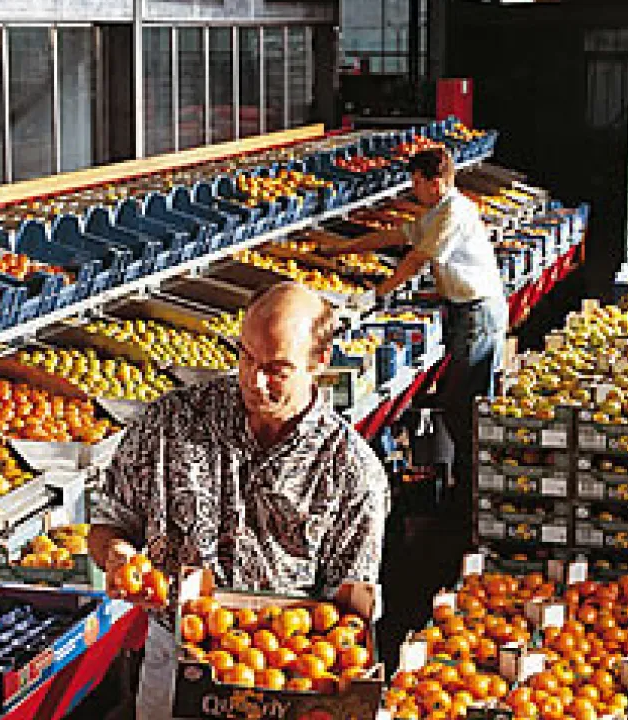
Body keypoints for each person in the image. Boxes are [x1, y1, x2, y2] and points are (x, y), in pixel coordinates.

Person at [89, 281, 390, 720]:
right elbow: (110, 522)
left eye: (277, 368)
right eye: (247, 357)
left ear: (319, 363)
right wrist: (117, 558)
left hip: (284, 679)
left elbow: (348, 615)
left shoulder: (353, 473)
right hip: (174, 663)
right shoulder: (170, 421)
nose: (253, 380)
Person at [320, 146, 507, 528]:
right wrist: (341, 247)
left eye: (416, 182)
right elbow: (397, 236)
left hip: (477, 314)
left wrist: (378, 293)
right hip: (465, 312)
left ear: (434, 182)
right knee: (462, 400)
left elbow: (416, 257)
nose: (413, 189)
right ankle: (468, 486)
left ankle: (473, 494)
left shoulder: (453, 213)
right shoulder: (439, 212)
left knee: (464, 403)